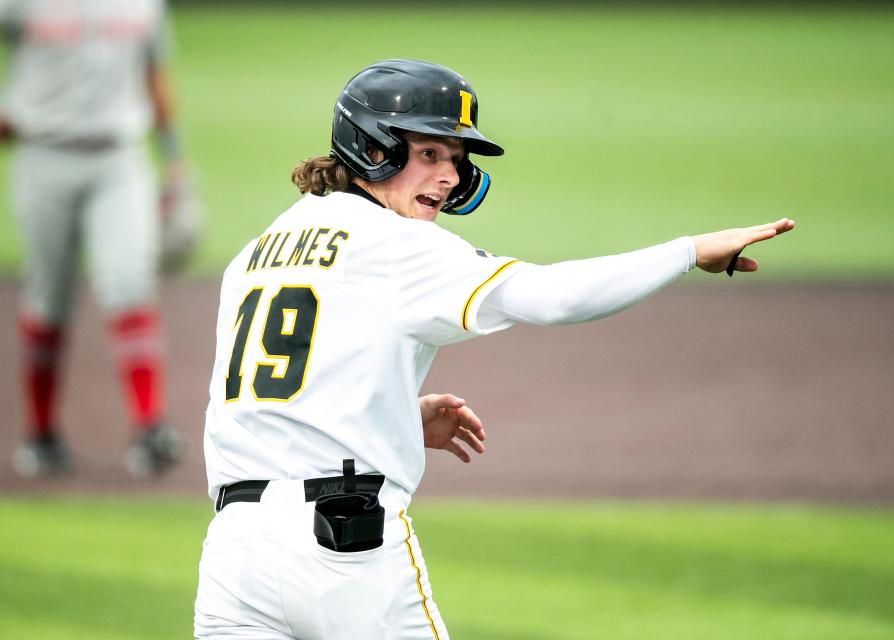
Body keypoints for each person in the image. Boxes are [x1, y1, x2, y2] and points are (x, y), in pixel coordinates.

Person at [194, 58, 795, 639]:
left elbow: (267, 399)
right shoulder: (396, 244)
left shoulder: (256, 251)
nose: (450, 176)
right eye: (429, 152)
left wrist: (395, 417)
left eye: (454, 159)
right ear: (372, 148)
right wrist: (688, 250)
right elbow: (552, 296)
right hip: (343, 557)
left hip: (233, 557)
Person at [0, 0, 189, 478]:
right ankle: (41, 434)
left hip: (119, 159)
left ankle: (150, 428)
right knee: (48, 301)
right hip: (44, 153)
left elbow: (154, 76)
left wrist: (174, 162)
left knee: (130, 286)